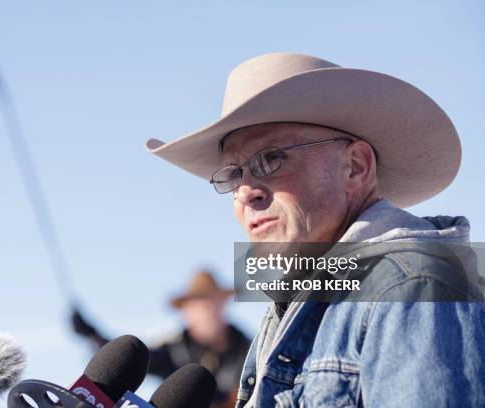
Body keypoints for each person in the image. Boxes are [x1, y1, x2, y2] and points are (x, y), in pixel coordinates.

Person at [145, 53, 485, 407]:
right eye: (234, 175)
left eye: (270, 159)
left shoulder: (413, 288)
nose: (246, 192)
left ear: (355, 166)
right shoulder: (306, 299)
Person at [71, 270, 251, 407]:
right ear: (186, 311)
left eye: (211, 302)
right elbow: (128, 357)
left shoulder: (252, 352)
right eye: (199, 305)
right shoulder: (173, 349)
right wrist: (92, 334)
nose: (207, 310)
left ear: (223, 303)